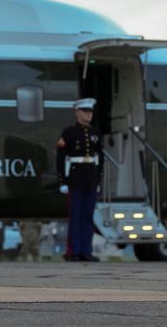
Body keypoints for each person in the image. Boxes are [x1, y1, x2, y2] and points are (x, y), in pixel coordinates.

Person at [56, 97, 104, 262]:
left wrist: (98, 180)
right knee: (75, 217)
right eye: (85, 111)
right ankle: (73, 251)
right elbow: (61, 158)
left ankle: (86, 251)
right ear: (77, 112)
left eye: (90, 111)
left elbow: (100, 158)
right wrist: (63, 181)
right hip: (75, 179)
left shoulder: (95, 133)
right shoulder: (68, 133)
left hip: (90, 179)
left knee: (88, 217)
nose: (88, 114)